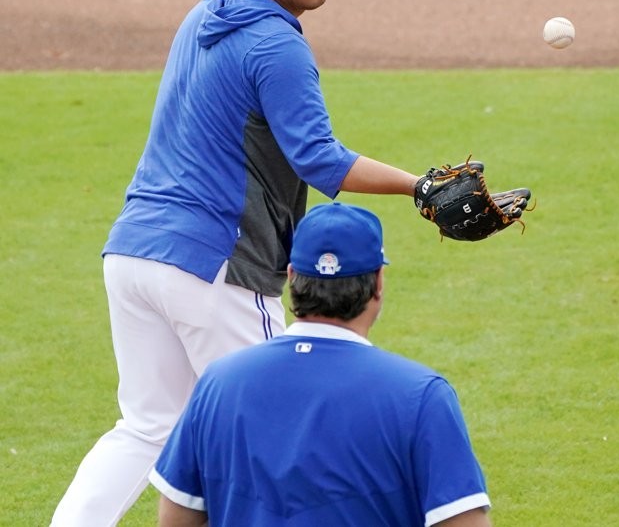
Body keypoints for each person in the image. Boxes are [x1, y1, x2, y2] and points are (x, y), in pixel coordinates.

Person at [52, 0, 425, 525]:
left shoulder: (205, 14)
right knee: (282, 421)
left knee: (147, 427)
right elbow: (320, 159)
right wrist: (421, 187)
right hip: (211, 267)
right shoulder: (276, 47)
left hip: (133, 251)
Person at [149, 202, 492, 526]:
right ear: (378, 283)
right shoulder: (420, 395)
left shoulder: (219, 383)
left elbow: (177, 516)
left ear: (292, 277)